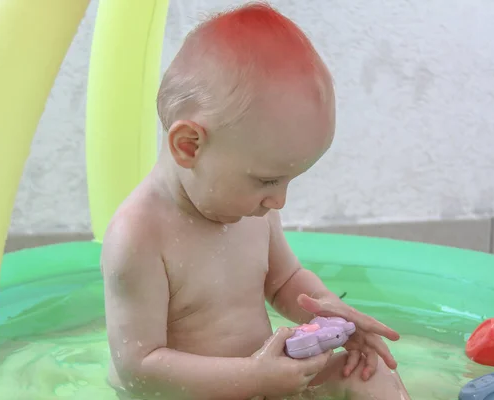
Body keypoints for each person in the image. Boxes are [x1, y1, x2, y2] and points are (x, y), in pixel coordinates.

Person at [101, 2, 411, 399]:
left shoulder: (251, 207)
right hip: (192, 394)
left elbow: (284, 283)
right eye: (268, 180)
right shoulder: (139, 235)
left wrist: (328, 309)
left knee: (370, 374)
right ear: (189, 145)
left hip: (268, 382)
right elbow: (139, 369)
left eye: (288, 181)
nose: (279, 200)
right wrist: (251, 377)